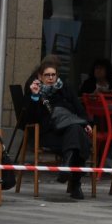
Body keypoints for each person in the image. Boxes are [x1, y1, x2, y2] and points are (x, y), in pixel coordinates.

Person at [15, 58, 92, 200]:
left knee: (76, 129)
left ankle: (67, 166)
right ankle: (75, 183)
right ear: (39, 76)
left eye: (53, 75)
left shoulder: (65, 88)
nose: (51, 78)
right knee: (78, 136)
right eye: (47, 75)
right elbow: (28, 118)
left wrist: (86, 123)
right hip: (48, 132)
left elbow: (79, 108)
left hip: (68, 130)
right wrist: (34, 96)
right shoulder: (34, 91)